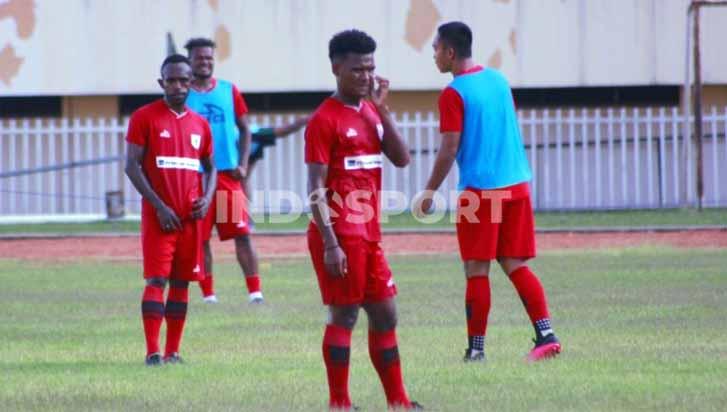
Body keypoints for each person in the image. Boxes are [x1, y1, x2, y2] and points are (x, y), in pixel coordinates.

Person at [414, 21, 562, 363]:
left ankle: (476, 350)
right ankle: (546, 335)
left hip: (480, 192)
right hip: (518, 185)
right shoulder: (498, 80)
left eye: (436, 48)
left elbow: (449, 149)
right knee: (514, 263)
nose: (433, 55)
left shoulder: (453, 93)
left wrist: (428, 192)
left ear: (450, 52)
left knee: (477, 270)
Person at [305, 29, 421, 410]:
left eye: (371, 68)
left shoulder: (371, 110)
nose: (366, 76)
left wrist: (383, 109)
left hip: (370, 232)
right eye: (358, 69)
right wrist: (331, 243)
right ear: (336, 68)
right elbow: (315, 187)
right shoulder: (324, 119)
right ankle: (339, 403)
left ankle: (399, 402)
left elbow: (402, 159)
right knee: (345, 314)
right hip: (340, 234)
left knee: (386, 312)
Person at [125, 54, 217, 366]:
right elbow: (131, 166)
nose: (177, 86)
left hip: (191, 219)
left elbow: (211, 167)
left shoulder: (200, 124)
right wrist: (160, 207)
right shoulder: (144, 117)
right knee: (156, 281)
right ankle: (152, 351)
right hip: (159, 218)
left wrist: (207, 197)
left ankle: (173, 352)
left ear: (191, 83)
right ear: (161, 82)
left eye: (183, 80)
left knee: (181, 283)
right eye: (171, 80)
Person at [184, 37, 262, 304]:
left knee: (242, 234)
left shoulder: (229, 90)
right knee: (200, 238)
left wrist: (242, 163)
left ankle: (255, 293)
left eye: (208, 57)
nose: (205, 62)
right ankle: (209, 296)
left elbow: (245, 129)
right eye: (199, 57)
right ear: (190, 60)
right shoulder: (182, 93)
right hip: (196, 178)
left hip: (228, 175)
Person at [243, 116, 310, 199]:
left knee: (243, 180)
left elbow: (284, 130)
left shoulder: (254, 133)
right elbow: (284, 130)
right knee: (243, 180)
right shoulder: (247, 133)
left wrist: (304, 120)